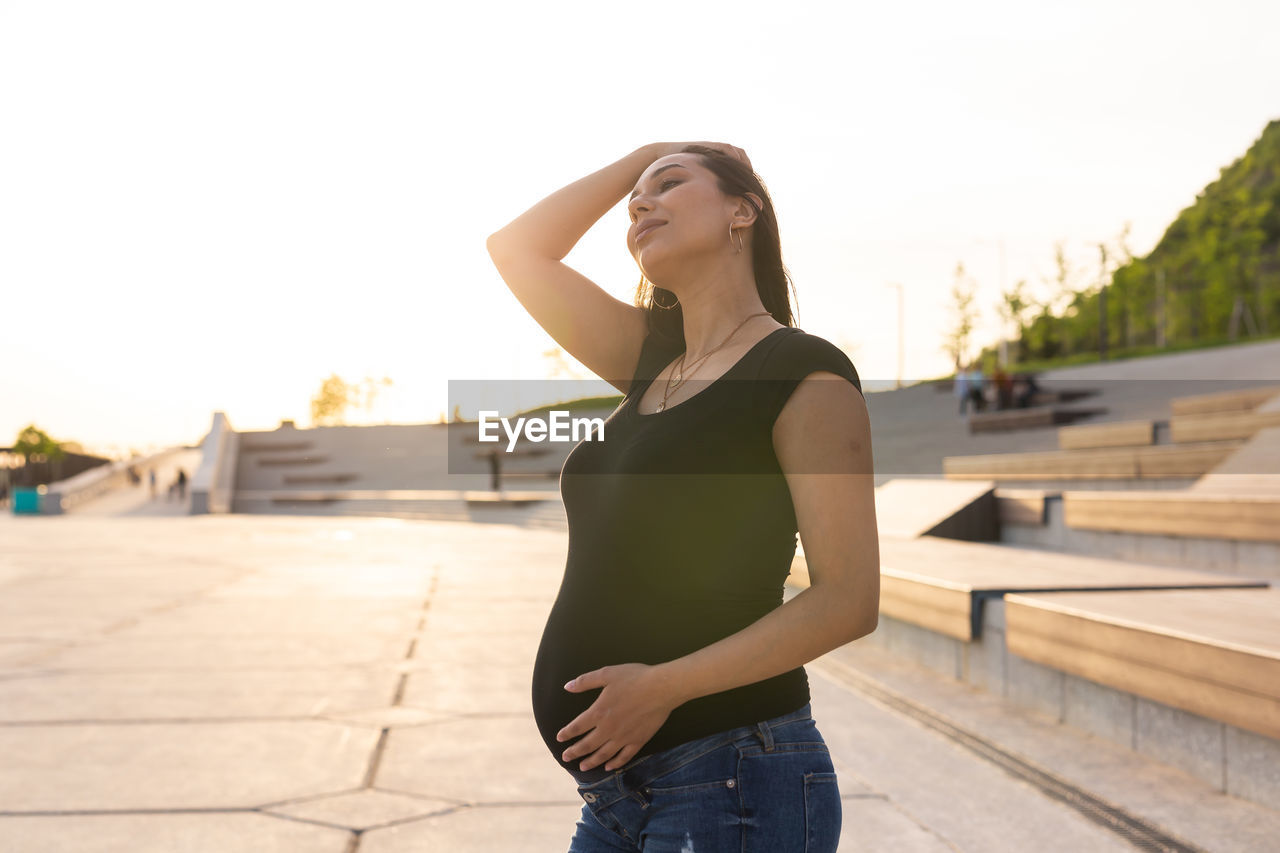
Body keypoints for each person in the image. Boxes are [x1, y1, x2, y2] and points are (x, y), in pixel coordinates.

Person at [487, 142, 879, 852]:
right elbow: (516, 249)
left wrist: (664, 686)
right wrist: (646, 154)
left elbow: (848, 599)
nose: (639, 204)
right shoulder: (651, 362)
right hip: (616, 795)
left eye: (669, 185)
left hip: (733, 774)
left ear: (742, 210)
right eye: (636, 198)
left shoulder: (802, 371)